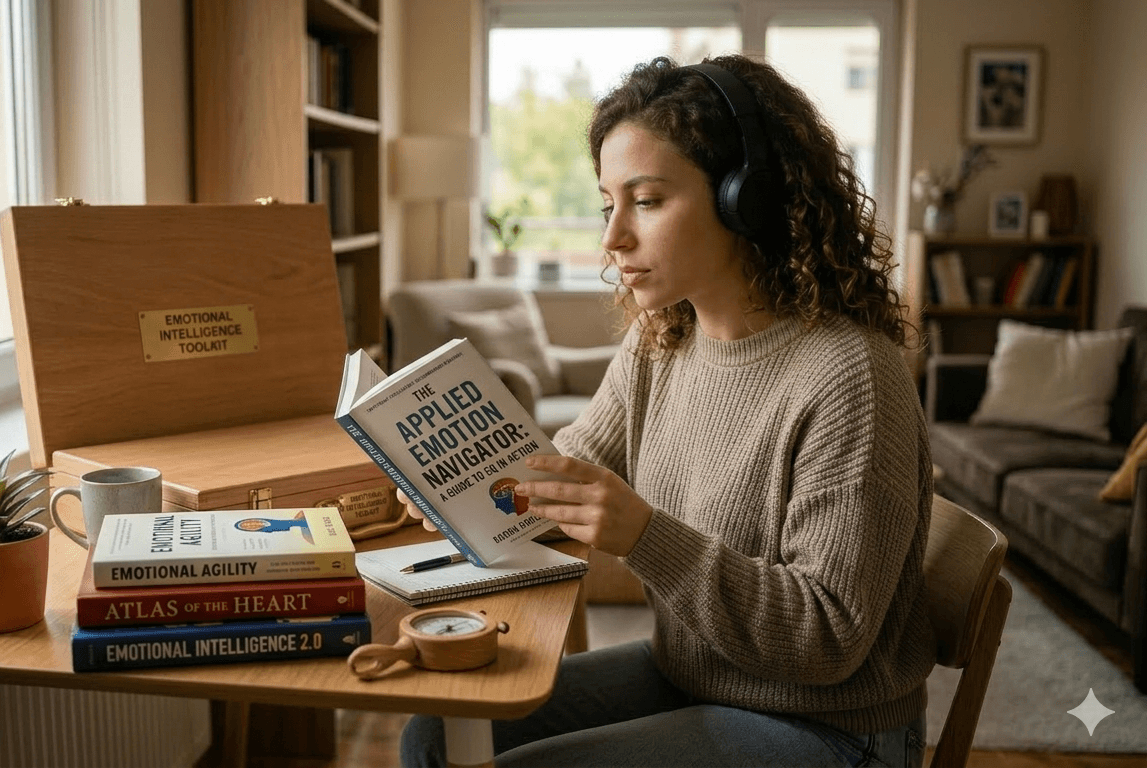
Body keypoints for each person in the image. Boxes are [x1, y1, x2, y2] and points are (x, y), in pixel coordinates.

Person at [398, 54, 935, 768]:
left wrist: (645, 535)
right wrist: (451, 484)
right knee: (435, 733)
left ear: (746, 198)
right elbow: (573, 465)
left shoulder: (849, 376)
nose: (613, 237)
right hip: (696, 675)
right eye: (607, 203)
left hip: (831, 727)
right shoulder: (664, 340)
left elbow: (828, 638)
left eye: (646, 200)